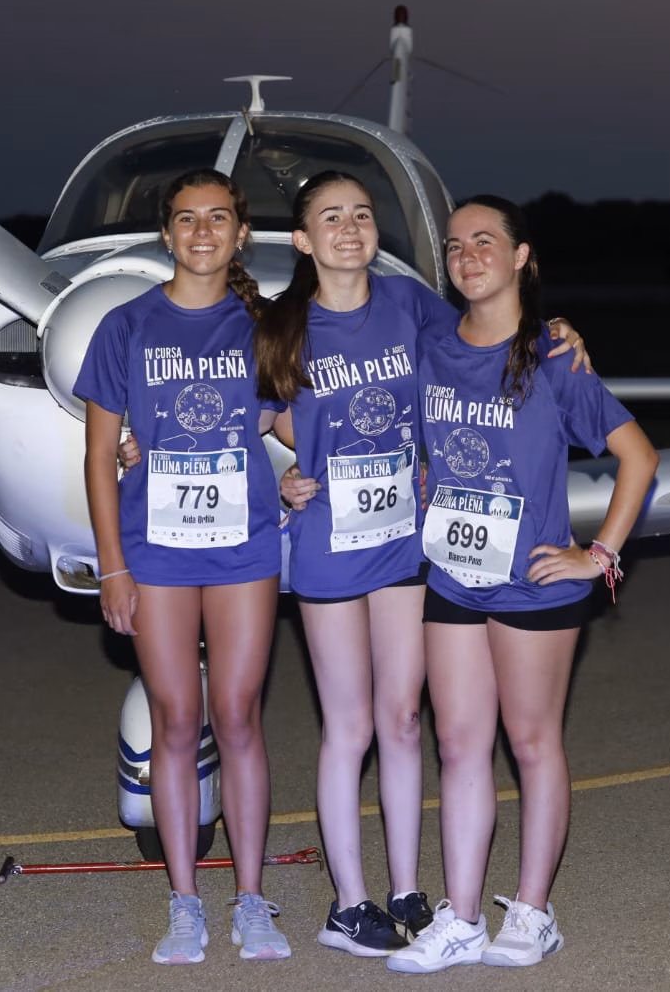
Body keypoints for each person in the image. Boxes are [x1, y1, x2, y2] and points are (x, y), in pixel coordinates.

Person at [257, 172, 593, 957]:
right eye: (330, 219)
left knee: (406, 719)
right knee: (349, 725)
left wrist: (561, 332)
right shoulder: (280, 327)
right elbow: (255, 413)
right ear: (303, 240)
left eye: (362, 216)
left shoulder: (411, 306)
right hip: (331, 547)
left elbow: (492, 333)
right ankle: (350, 904)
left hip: (412, 543)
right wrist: (284, 468)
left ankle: (409, 890)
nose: (350, 229)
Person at [385, 195, 659, 973]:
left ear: (519, 256)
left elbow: (639, 458)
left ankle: (534, 911)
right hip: (454, 576)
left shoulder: (554, 357)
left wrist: (600, 554)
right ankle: (462, 917)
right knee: (459, 743)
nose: (468, 253)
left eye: (485, 241)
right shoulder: (433, 346)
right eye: (456, 244)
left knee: (532, 743)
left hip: (535, 584)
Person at [74, 168, 291, 965]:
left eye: (219, 218)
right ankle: (184, 902)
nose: (203, 232)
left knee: (237, 716)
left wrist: (330, 464)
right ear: (166, 235)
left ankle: (252, 900)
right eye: (187, 219)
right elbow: (100, 455)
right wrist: (111, 566)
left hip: (243, 550)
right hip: (156, 553)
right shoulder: (125, 327)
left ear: (240, 234)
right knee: (174, 719)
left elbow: (298, 421)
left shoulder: (265, 326)